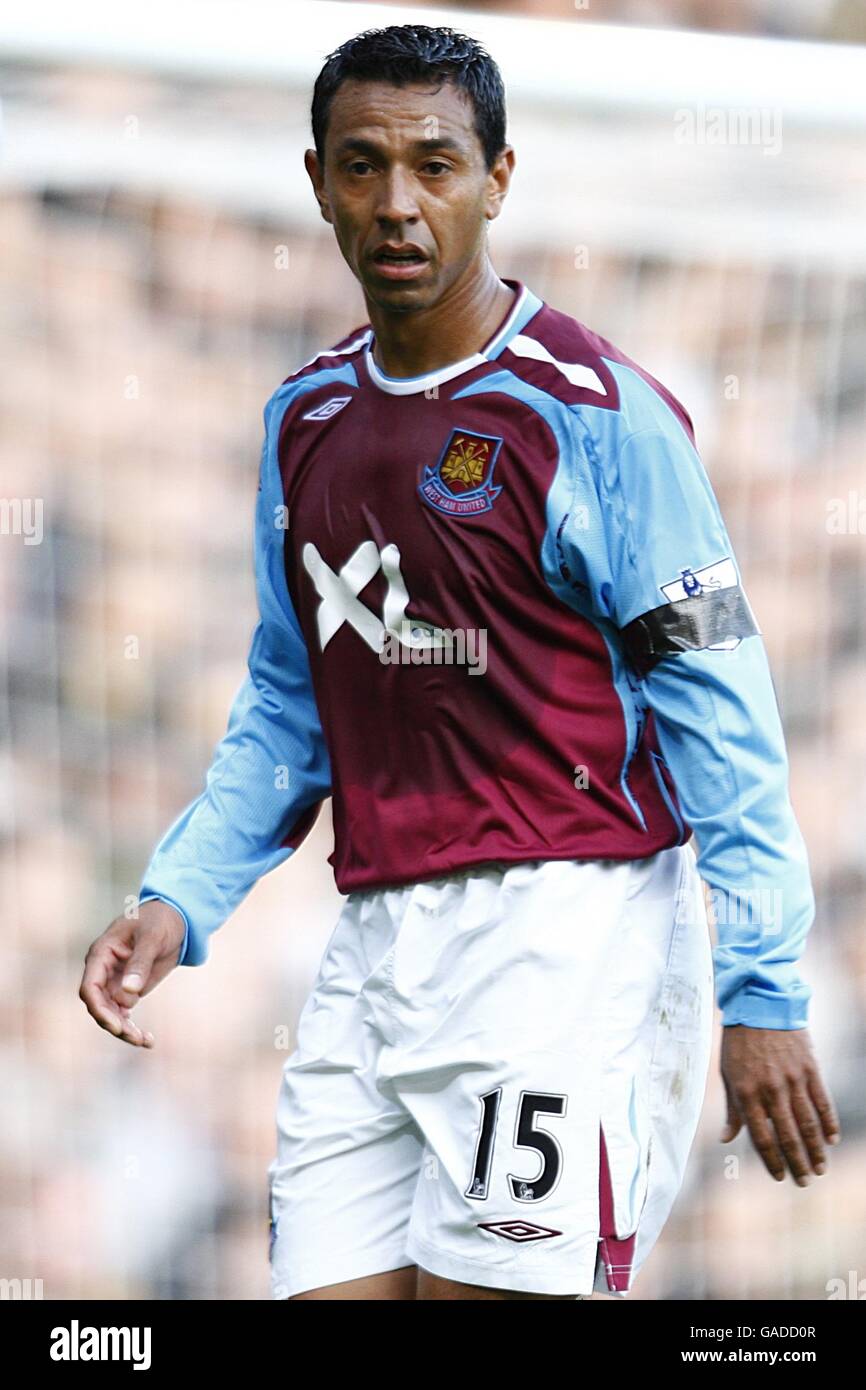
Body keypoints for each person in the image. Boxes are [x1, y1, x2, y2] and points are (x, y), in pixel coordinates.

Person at [79, 22, 839, 1301]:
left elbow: (721, 711)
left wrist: (762, 988)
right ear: (315, 181)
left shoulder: (596, 416)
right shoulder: (304, 418)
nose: (396, 201)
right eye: (361, 164)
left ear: (497, 177)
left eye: (434, 163)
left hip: (565, 944)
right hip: (374, 952)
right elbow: (289, 700)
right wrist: (180, 895)